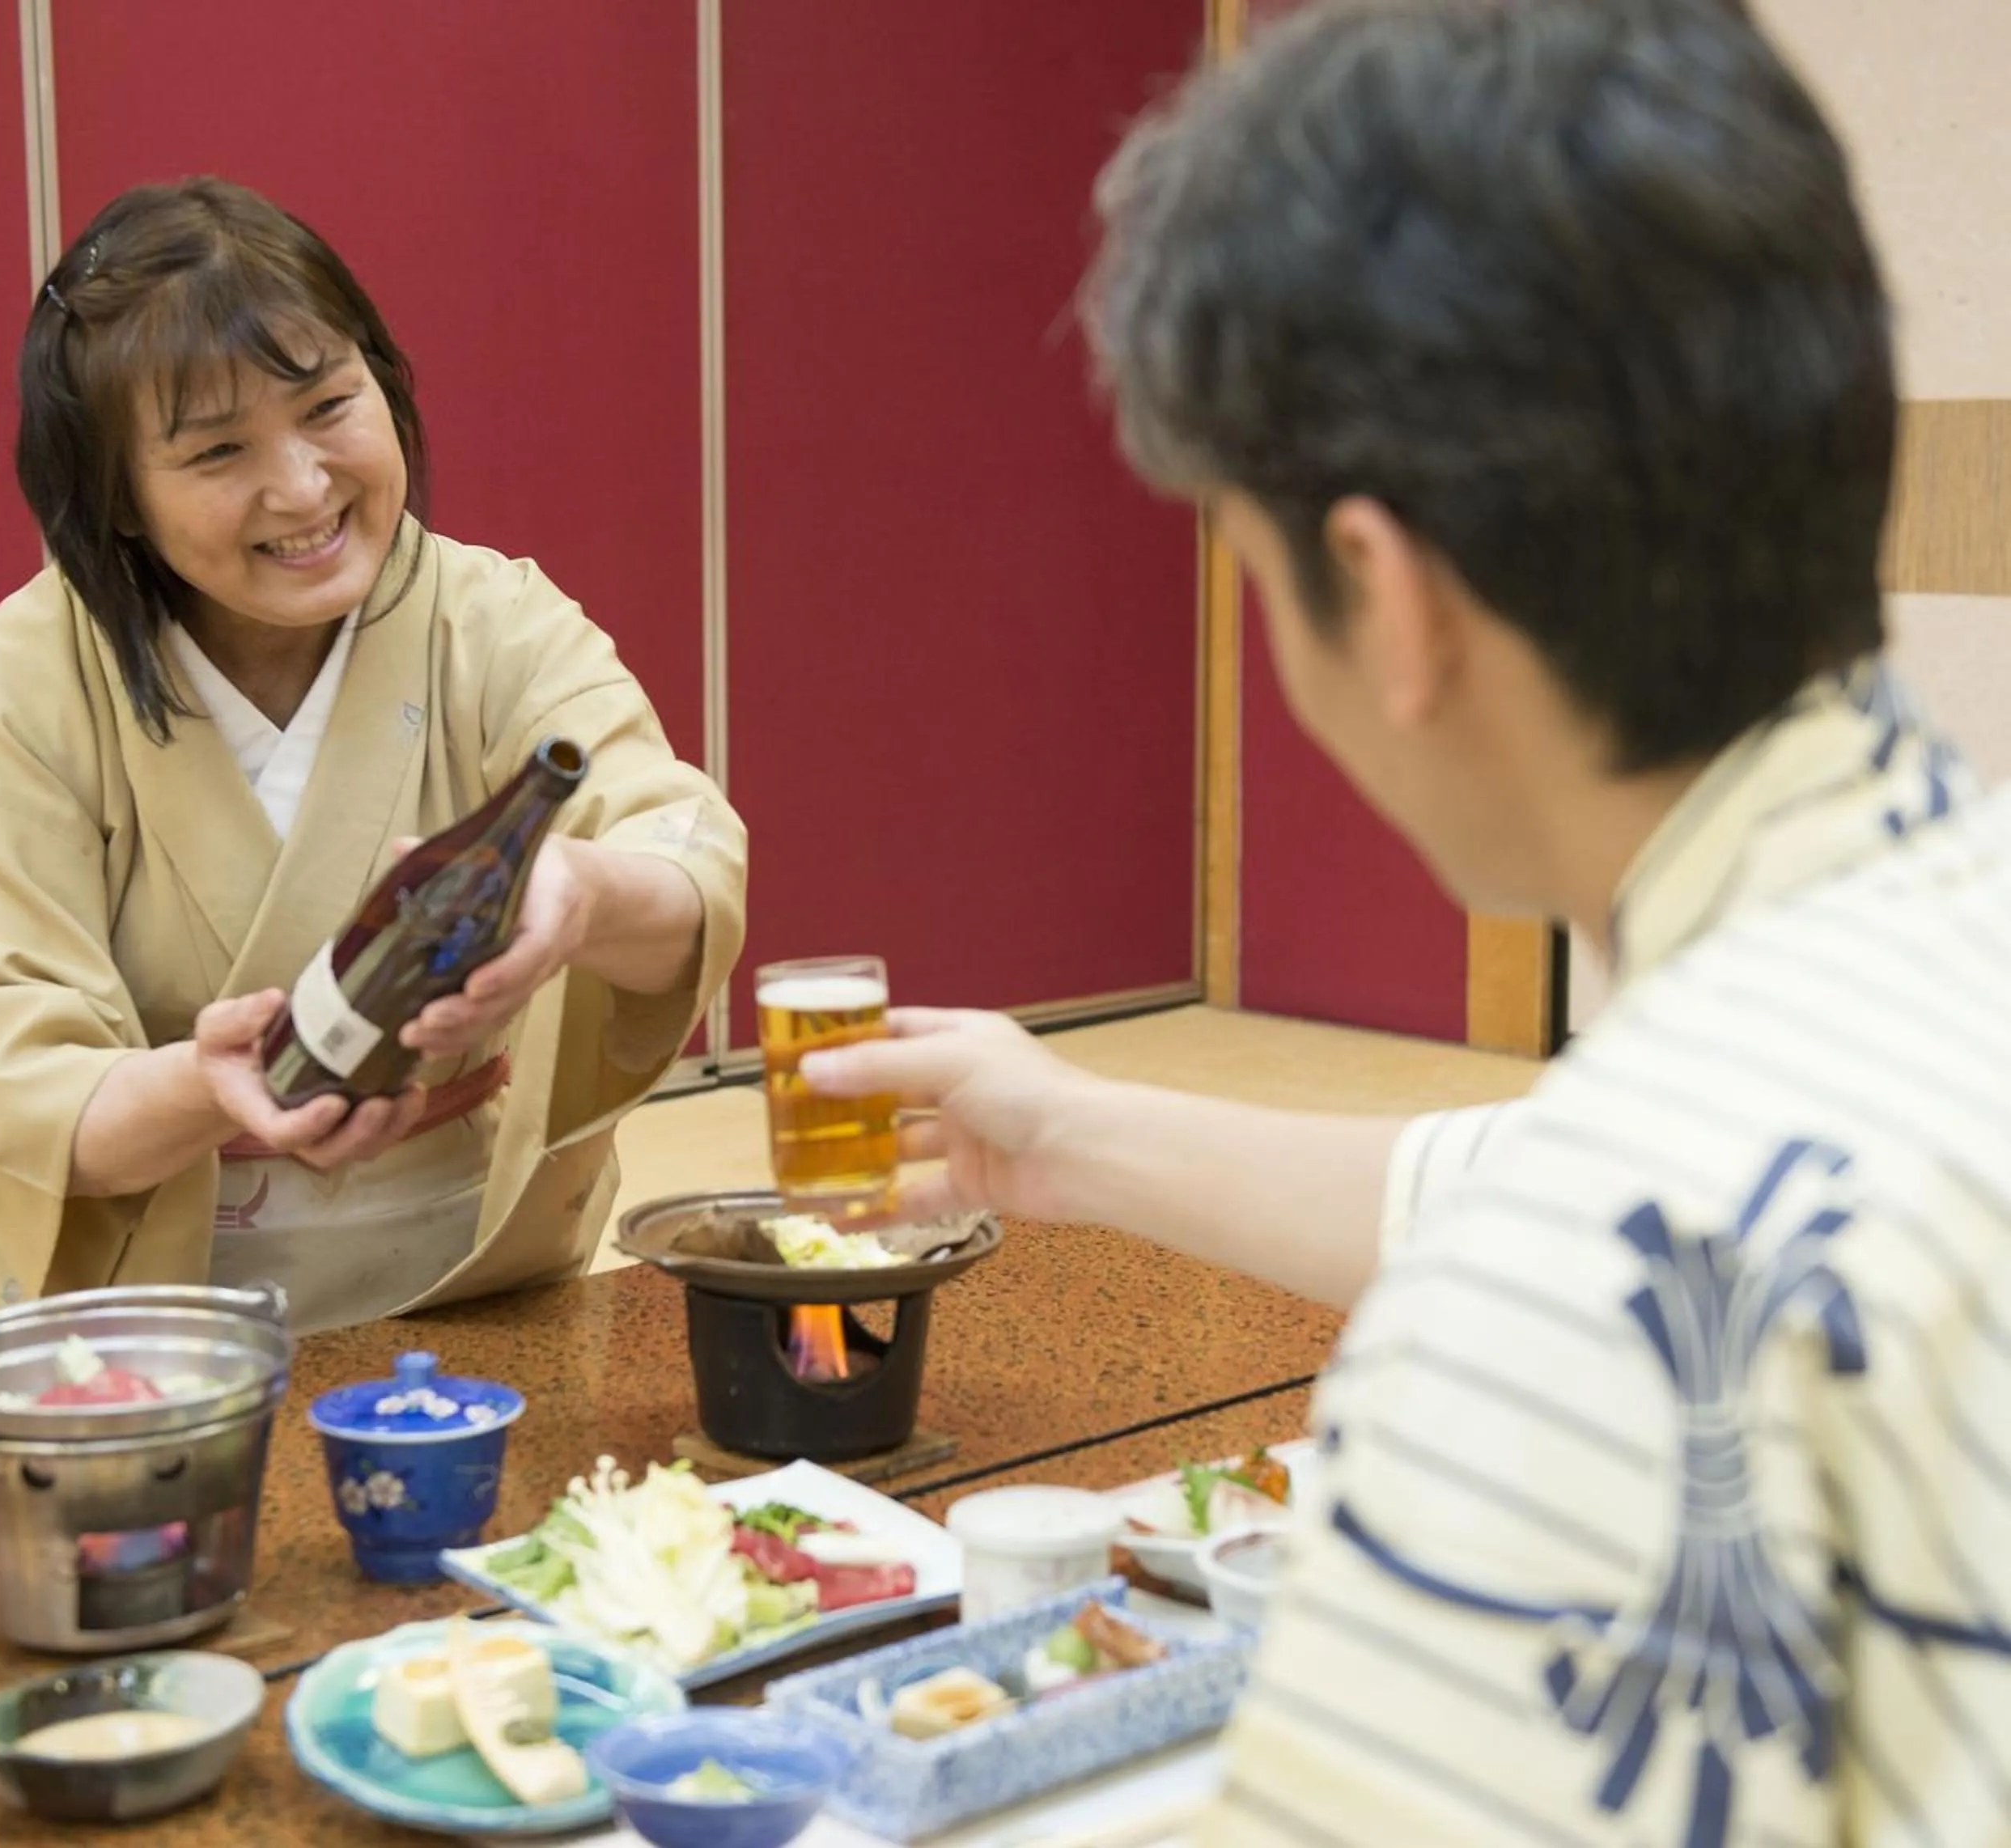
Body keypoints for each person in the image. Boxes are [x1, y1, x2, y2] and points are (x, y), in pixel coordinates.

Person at [807, 2, 2010, 1841]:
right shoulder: (1915, 955)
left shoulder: (1555, 1320)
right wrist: (1060, 1132)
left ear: (1384, 592)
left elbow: (1578, 1230)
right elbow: (1535, 1176)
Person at [0, 178, 745, 1333]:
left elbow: (683, 854)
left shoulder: (494, 623)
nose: (301, 486)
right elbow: (5, 1070)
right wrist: (204, 1085)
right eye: (219, 449)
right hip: (166, 1315)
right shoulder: (5, 696)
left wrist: (581, 890)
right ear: (117, 497)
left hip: (476, 1276)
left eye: (329, 405)